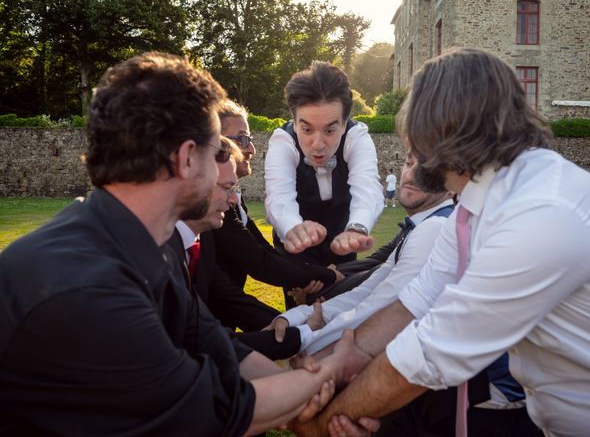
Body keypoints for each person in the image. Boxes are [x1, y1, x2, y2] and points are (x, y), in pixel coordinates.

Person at [0, 52, 370, 436]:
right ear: (187, 158)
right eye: (217, 152)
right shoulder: (88, 286)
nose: (223, 169)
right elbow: (214, 410)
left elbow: (218, 346)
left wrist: (314, 393)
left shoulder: (146, 246)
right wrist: (333, 369)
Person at [293, 48, 590, 437]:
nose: (409, 146)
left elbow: (432, 354)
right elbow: (415, 303)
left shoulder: (543, 214)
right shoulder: (479, 203)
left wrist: (321, 423)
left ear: (441, 129)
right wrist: (337, 361)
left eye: (414, 127)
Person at [268, 151, 455, 356]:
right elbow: (367, 292)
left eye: (428, 169)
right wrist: (298, 316)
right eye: (409, 163)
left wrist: (304, 341)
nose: (412, 174)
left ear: (453, 186)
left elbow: (378, 307)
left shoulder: (434, 228)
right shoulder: (425, 225)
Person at [169, 137, 301, 359]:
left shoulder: (193, 244)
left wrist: (291, 331)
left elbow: (202, 331)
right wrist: (297, 338)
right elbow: (184, 350)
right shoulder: (156, 254)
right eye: (227, 188)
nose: (233, 201)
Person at [213, 100, 342, 302]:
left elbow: (264, 252)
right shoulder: (214, 205)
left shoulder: (235, 201)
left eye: (250, 139)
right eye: (242, 140)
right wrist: (328, 275)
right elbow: (259, 262)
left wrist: (312, 274)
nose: (252, 150)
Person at [264, 61, 384, 270]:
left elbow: (368, 187)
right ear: (294, 120)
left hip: (343, 245)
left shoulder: (356, 137)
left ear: (345, 123)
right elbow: (278, 195)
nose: (318, 145)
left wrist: (357, 229)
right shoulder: (283, 141)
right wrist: (294, 229)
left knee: (341, 300)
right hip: (295, 249)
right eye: (307, 130)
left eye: (329, 131)